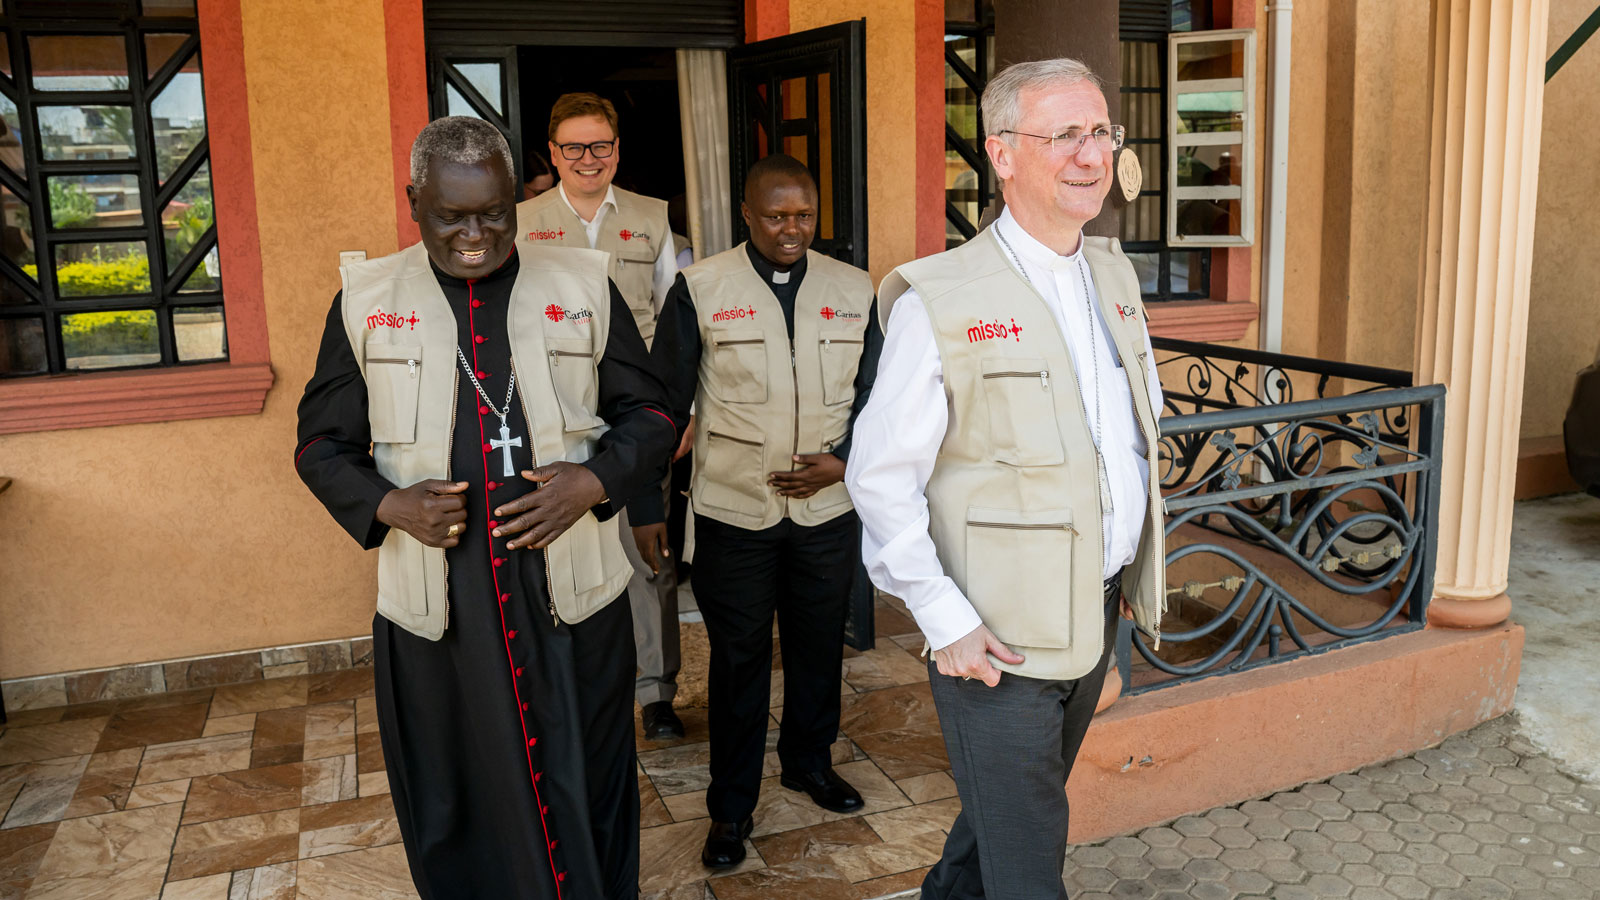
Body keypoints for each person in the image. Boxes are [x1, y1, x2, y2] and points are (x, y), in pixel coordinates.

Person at [294, 116, 676, 900]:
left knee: (588, 774)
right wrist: (389, 503)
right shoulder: (367, 300)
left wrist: (595, 481)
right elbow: (319, 445)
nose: (476, 235)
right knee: (455, 792)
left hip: (571, 594)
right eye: (452, 217)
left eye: (493, 213)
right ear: (414, 202)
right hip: (440, 605)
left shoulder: (581, 284)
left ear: (516, 199)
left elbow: (653, 417)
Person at [845, 59, 1166, 900]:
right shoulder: (940, 299)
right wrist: (943, 619)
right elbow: (879, 477)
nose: (1090, 155)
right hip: (994, 643)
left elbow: (1128, 440)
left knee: (1000, 826)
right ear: (1002, 153)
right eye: (1064, 135)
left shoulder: (1115, 276)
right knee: (1029, 863)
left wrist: (1130, 563)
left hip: (1094, 614)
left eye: (1101, 131)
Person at [642, 153, 882, 868]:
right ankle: (732, 806)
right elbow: (662, 403)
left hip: (827, 511)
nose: (790, 230)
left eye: (803, 216)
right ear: (746, 214)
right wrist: (642, 499)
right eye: (775, 216)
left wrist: (848, 463)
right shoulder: (702, 288)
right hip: (733, 513)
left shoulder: (854, 289)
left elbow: (878, 399)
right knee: (739, 661)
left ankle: (809, 762)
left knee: (817, 649)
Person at [516, 92, 687, 740]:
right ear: (553, 154)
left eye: (601, 146)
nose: (589, 159)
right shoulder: (523, 222)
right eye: (574, 148)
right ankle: (565, 683)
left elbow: (677, 320)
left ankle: (655, 691)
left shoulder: (652, 218)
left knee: (649, 552)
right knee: (561, 549)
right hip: (554, 415)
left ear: (617, 150)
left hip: (640, 415)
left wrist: (683, 409)